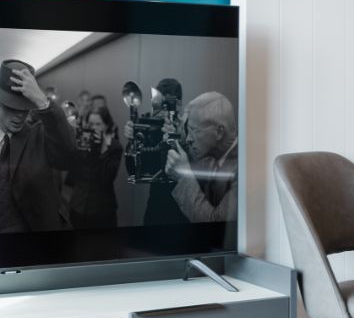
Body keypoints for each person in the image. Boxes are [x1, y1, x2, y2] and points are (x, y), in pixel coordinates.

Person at [0, 60, 77, 232]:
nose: (20, 115)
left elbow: (68, 156)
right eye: (12, 107)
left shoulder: (38, 135)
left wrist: (42, 101)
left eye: (25, 107)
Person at [165, 92, 237, 227]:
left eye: (194, 131)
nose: (188, 139)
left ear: (219, 132)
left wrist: (184, 178)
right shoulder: (209, 155)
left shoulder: (244, 171)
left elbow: (216, 226)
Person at [124, 78, 188, 225]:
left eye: (165, 107)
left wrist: (176, 140)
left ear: (177, 106)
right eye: (157, 105)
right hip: (155, 209)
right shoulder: (149, 126)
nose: (159, 113)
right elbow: (134, 171)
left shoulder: (189, 129)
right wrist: (132, 142)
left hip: (183, 213)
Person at [67, 106, 122, 230]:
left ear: (106, 126)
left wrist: (103, 149)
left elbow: (108, 177)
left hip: (103, 210)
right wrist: (72, 136)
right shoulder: (81, 143)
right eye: (91, 124)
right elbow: (71, 173)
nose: (94, 128)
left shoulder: (114, 146)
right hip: (78, 206)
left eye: (98, 124)